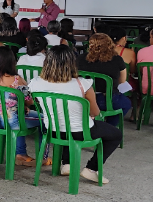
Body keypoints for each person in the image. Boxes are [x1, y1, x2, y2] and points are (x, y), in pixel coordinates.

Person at [29, 45, 122, 184]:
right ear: (72, 63)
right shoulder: (83, 84)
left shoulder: (35, 83)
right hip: (80, 131)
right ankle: (91, 169)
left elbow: (34, 102)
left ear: (47, 62)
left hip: (52, 130)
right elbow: (95, 112)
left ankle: (66, 164)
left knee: (65, 122)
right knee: (116, 134)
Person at [0, 47, 42, 166]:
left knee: (17, 115)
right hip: (12, 122)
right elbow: (30, 102)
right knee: (45, 120)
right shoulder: (17, 80)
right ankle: (39, 156)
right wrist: (23, 104)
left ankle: (21, 153)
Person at [77, 33, 131, 127]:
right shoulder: (117, 59)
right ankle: (109, 126)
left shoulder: (80, 58)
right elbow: (122, 81)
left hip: (84, 99)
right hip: (107, 99)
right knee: (126, 103)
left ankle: (95, 124)